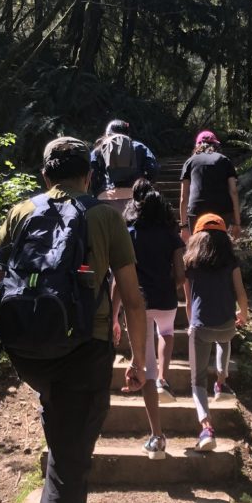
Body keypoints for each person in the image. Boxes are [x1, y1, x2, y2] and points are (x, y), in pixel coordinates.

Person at [0, 137, 147, 503]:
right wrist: (141, 363)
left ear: (44, 174)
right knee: (67, 470)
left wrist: (24, 346)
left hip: (32, 357)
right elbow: (135, 300)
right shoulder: (104, 218)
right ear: (90, 175)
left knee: (65, 448)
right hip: (85, 353)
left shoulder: (19, 212)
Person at [110, 178, 186, 459]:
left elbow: (119, 279)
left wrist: (115, 315)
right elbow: (180, 275)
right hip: (165, 300)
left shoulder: (128, 233)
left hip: (137, 306)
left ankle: (157, 436)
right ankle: (165, 378)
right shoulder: (170, 234)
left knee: (145, 371)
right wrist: (168, 286)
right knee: (166, 332)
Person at [183, 213, 249, 452]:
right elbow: (240, 292)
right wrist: (243, 313)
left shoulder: (190, 263)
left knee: (197, 381)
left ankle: (206, 428)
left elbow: (189, 302)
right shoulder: (231, 261)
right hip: (226, 324)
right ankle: (221, 382)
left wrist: (192, 323)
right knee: (225, 338)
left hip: (201, 326)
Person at [178, 130, 241, 244]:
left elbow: (184, 196)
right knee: (220, 245)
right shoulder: (224, 160)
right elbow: (233, 191)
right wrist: (237, 223)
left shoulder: (189, 162)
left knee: (198, 246)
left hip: (196, 210)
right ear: (216, 145)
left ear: (198, 145)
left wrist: (183, 226)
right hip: (222, 210)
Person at [90, 119, 159, 207]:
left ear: (107, 134)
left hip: (106, 197)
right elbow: (153, 169)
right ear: (127, 133)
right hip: (135, 196)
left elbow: (91, 172)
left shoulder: (99, 150)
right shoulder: (139, 147)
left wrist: (98, 192)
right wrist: (142, 185)